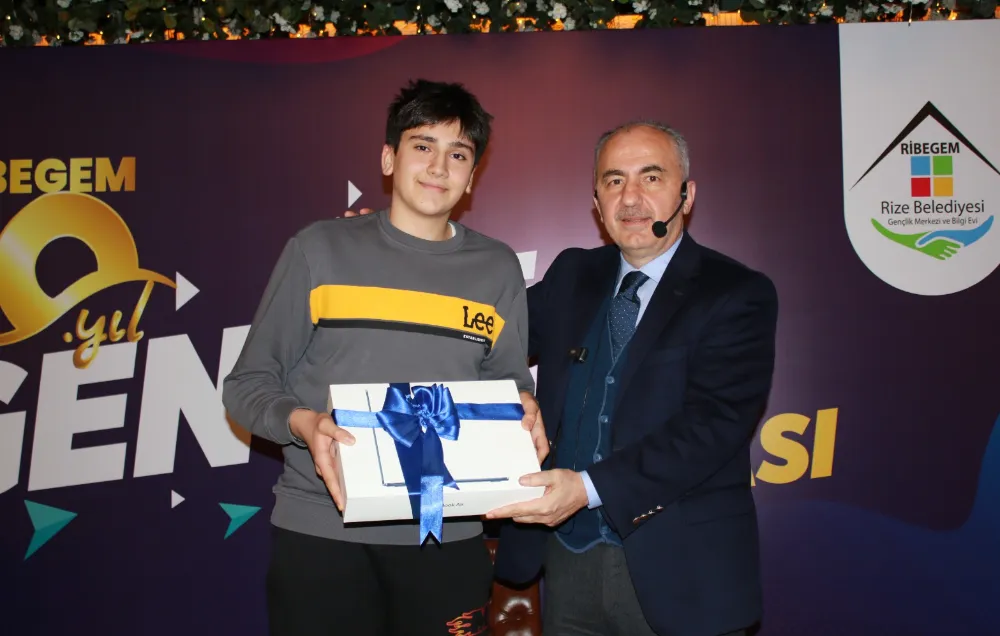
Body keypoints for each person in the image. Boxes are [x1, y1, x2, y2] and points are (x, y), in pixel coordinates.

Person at [345, 120, 777, 635]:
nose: (631, 198)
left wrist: (588, 489)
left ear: (687, 194)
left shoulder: (736, 293)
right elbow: (476, 338)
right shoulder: (574, 273)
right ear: (596, 201)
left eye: (651, 177)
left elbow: (714, 426)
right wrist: (396, 258)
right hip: (568, 565)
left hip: (685, 573)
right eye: (614, 180)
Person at [223, 78, 548, 636]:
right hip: (323, 531)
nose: (439, 167)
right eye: (423, 146)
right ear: (388, 158)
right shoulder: (318, 249)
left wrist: (523, 407)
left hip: (446, 535)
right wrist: (303, 423)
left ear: (472, 175)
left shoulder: (497, 269)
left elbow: (507, 382)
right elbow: (247, 385)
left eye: (458, 154)